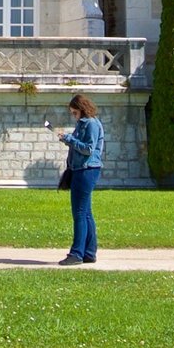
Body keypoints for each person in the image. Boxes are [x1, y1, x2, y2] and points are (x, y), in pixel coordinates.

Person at [45, 93, 104, 265]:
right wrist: (68, 140)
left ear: (82, 109)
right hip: (82, 169)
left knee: (79, 213)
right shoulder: (84, 123)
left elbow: (88, 149)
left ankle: (77, 253)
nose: (73, 116)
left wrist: (70, 139)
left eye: (74, 112)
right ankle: (89, 252)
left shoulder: (91, 124)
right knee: (86, 213)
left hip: (86, 170)